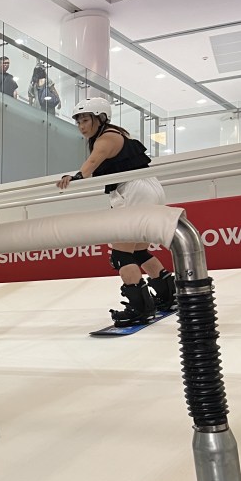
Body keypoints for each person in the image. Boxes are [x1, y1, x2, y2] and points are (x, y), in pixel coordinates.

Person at [56, 97, 176, 325]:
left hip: (134, 191)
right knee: (138, 251)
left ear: (101, 118)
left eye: (85, 120)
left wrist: (74, 177)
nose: (81, 126)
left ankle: (140, 308)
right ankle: (167, 295)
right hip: (147, 188)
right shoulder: (116, 134)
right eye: (78, 122)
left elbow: (91, 164)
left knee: (120, 255)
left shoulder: (106, 138)